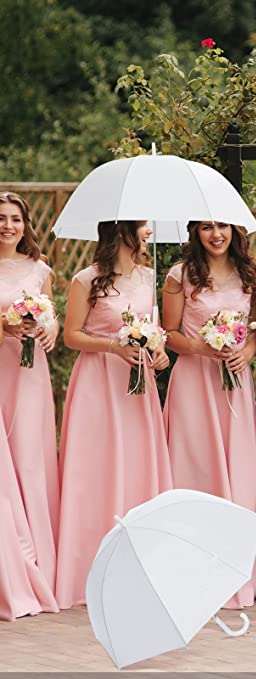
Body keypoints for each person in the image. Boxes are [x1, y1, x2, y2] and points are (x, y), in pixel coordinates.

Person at [56, 220, 172, 608]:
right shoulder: (86, 279)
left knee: (138, 466)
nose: (149, 233)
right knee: (97, 469)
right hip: (98, 383)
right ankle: (88, 565)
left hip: (137, 385)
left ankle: (136, 564)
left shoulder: (148, 276)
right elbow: (72, 335)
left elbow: (153, 329)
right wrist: (112, 346)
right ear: (122, 230)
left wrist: (158, 350)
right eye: (143, 226)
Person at [163, 220, 256, 608]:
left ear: (234, 230)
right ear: (197, 233)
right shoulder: (180, 276)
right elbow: (168, 332)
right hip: (193, 381)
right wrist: (202, 348)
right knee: (196, 468)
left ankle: (239, 570)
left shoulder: (249, 275)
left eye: (222, 226)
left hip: (234, 385)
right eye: (207, 227)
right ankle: (189, 568)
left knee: (238, 470)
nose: (216, 234)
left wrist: (247, 351)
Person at [0, 192, 60, 615]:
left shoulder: (41, 270)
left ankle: (37, 557)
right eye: (1, 219)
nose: (8, 226)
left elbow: (51, 317)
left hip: (30, 372)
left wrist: (48, 328)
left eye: (15, 219)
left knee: (30, 458)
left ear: (26, 224)